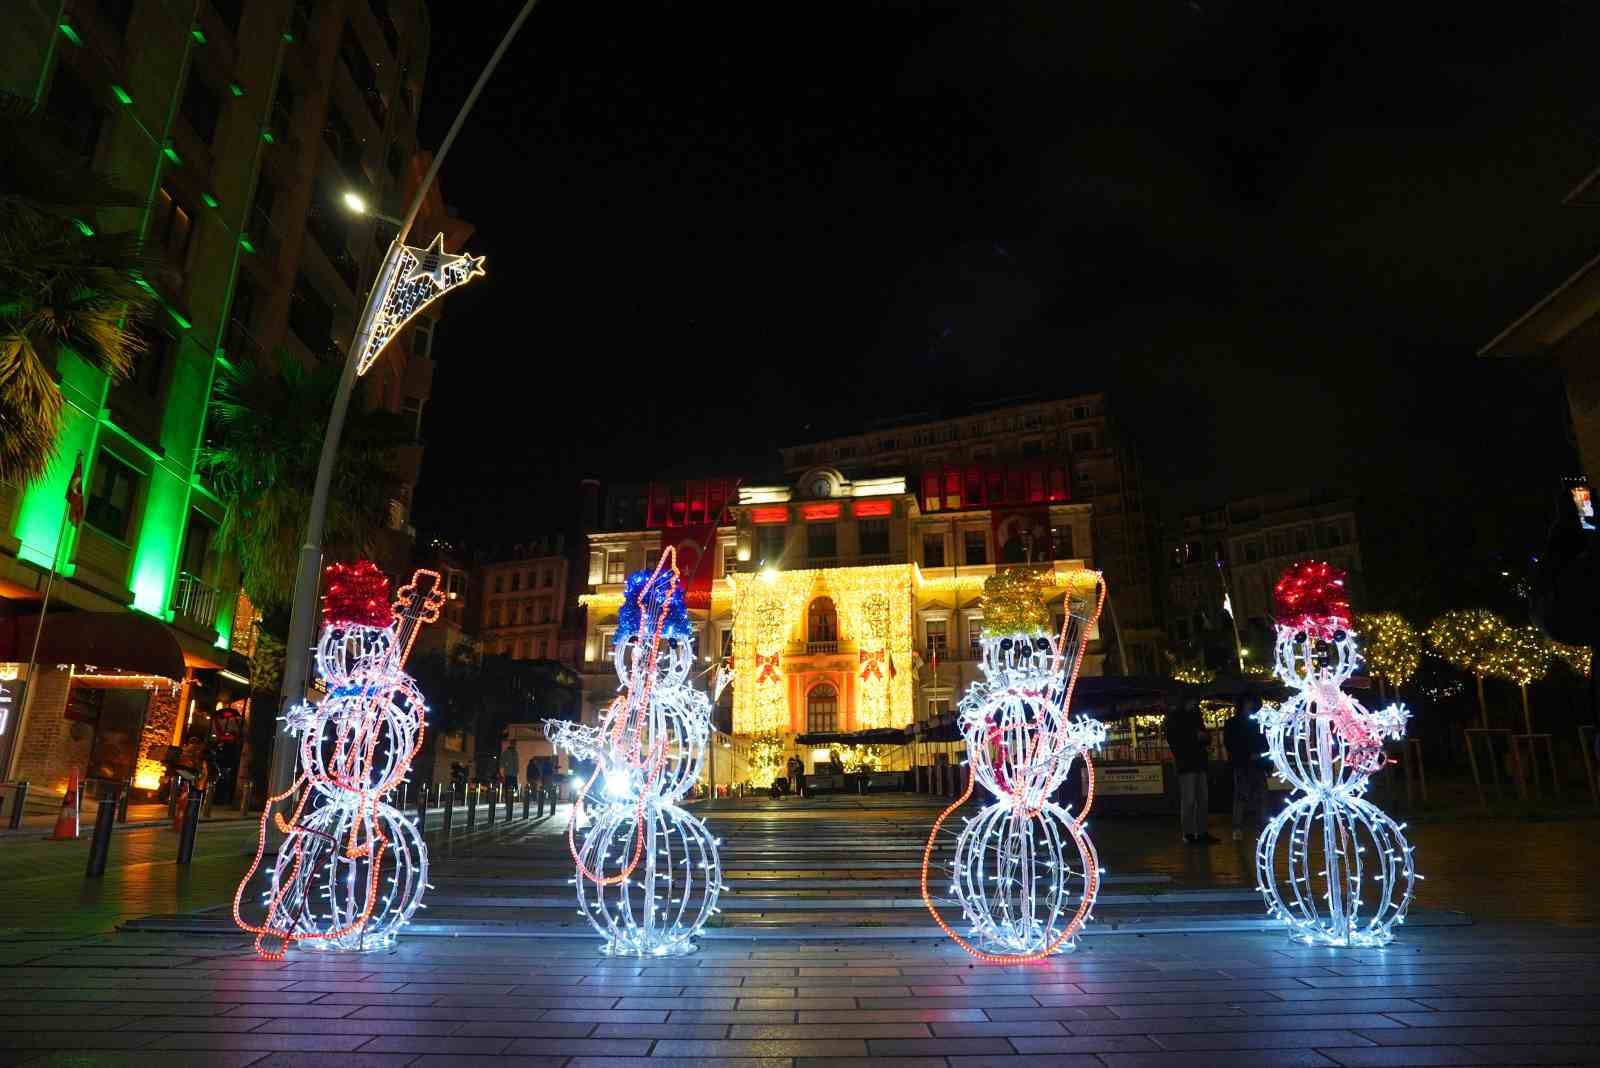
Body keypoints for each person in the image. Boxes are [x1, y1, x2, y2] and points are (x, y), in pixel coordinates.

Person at [1165, 699, 1216, 844]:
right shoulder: (1178, 718)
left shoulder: (1190, 716)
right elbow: (1175, 739)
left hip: (1195, 762)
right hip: (1189, 763)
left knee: (1200, 799)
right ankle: (1191, 833)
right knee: (1191, 799)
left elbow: (1204, 736)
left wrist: (1203, 737)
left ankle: (1198, 832)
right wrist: (1198, 737)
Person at [1224, 698, 1271, 841]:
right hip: (1244, 764)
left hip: (1252, 763)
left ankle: (1254, 827)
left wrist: (1265, 761)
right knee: (1243, 796)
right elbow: (1231, 744)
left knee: (1255, 797)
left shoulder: (1248, 722)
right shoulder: (1242, 723)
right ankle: (1239, 827)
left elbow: (1264, 742)